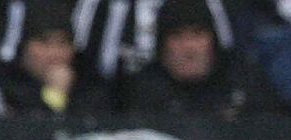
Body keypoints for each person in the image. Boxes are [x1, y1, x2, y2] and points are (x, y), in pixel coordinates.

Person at [117, 0, 275, 119]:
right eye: (177, 36)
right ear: (162, 45)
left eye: (197, 35)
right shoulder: (140, 93)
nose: (189, 48)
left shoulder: (243, 83)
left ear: (213, 41)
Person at [0, 0, 111, 116]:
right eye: (44, 42)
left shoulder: (89, 88)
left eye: (63, 43)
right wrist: (55, 96)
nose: (55, 54)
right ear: (24, 47)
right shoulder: (3, 90)